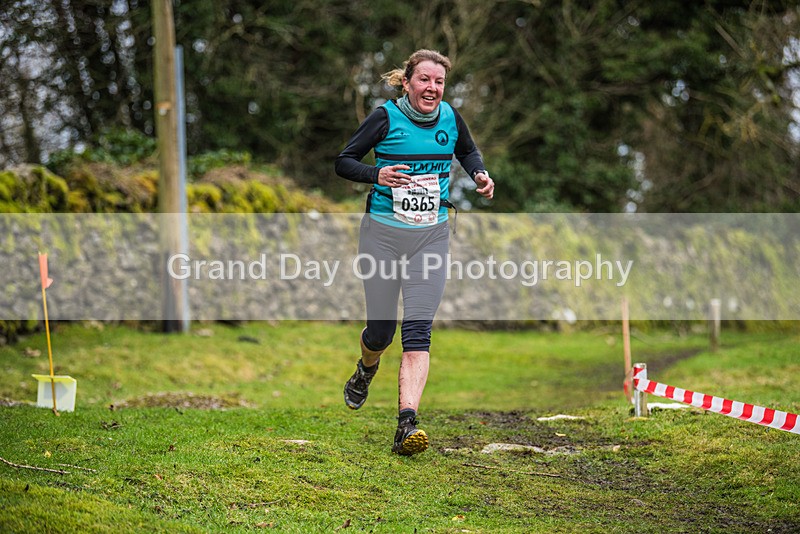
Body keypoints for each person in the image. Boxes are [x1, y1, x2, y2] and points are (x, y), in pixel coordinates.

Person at [335, 49, 494, 455]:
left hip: (431, 238)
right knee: (381, 333)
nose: (432, 87)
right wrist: (378, 175)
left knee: (418, 333)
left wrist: (478, 172)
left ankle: (407, 425)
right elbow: (344, 162)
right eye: (424, 79)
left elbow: (467, 150)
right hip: (383, 238)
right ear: (406, 82)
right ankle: (365, 370)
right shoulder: (385, 117)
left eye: (439, 81)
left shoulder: (450, 118)